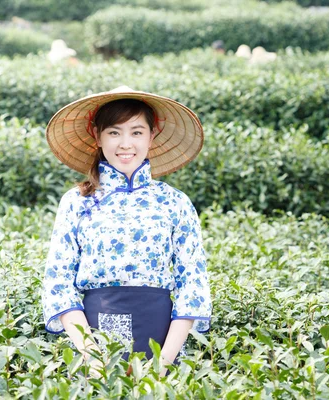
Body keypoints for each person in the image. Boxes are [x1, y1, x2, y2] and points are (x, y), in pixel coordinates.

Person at [41, 86, 211, 377]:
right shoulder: (77, 202)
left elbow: (192, 285)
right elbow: (58, 282)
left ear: (151, 136)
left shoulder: (175, 202)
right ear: (97, 136)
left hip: (163, 341)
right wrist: (94, 359)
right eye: (114, 132)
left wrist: (163, 363)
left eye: (136, 132)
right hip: (94, 341)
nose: (125, 143)